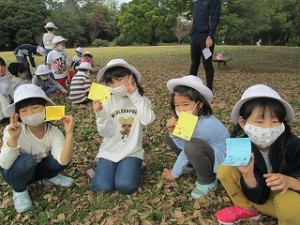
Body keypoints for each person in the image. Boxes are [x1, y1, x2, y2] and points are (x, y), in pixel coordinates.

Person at [215, 84, 300, 225]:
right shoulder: (240, 146)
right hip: (259, 199)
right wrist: (248, 174)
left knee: (290, 206)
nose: (268, 128)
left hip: (288, 200)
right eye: (260, 122)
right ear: (242, 123)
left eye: (275, 121)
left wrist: (289, 181)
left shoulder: (293, 144)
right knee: (225, 169)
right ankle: (248, 210)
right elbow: (259, 198)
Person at [0, 84, 74, 213]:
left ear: (46, 108)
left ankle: (51, 176)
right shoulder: (12, 130)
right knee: (26, 161)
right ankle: (19, 191)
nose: (31, 114)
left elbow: (63, 160)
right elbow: (5, 165)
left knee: (59, 155)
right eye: (24, 111)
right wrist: (13, 139)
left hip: (37, 169)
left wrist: (69, 134)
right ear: (17, 115)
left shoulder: (53, 131)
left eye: (35, 108)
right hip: (16, 172)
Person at [92, 58, 155, 194]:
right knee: (102, 188)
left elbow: (148, 120)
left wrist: (134, 95)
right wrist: (100, 114)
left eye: (120, 79)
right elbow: (106, 133)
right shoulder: (106, 101)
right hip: (109, 151)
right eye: (111, 82)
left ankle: (137, 165)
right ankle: (104, 165)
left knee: (125, 186)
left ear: (131, 77)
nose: (116, 86)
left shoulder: (141, 101)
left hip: (132, 151)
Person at [162, 75, 229, 199]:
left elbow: (187, 148)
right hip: (204, 149)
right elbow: (184, 146)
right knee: (170, 135)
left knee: (190, 146)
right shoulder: (190, 119)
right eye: (177, 105)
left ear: (200, 104)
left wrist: (174, 173)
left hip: (221, 157)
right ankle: (190, 166)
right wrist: (172, 132)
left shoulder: (205, 126)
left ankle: (208, 180)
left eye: (186, 104)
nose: (181, 110)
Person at [189, 0, 221, 92]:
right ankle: (190, 86)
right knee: (194, 63)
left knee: (207, 63)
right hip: (195, 38)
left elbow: (215, 18)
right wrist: (192, 35)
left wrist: (210, 35)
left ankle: (209, 88)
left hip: (205, 39)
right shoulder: (197, 2)